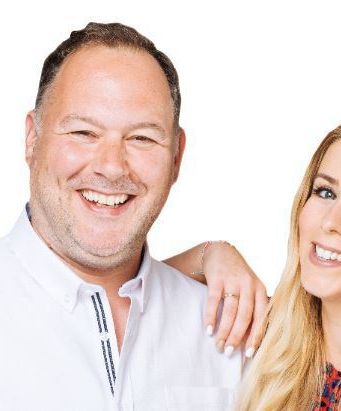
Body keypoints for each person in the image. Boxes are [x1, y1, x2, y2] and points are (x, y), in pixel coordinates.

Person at [0, 22, 267, 410]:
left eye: (142, 138)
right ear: (32, 138)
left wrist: (211, 252)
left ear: (176, 157)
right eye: (83, 132)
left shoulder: (232, 331)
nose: (111, 167)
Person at [230, 112, 341, 409]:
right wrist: (212, 254)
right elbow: (149, 299)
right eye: (325, 192)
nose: (330, 222)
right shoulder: (257, 334)